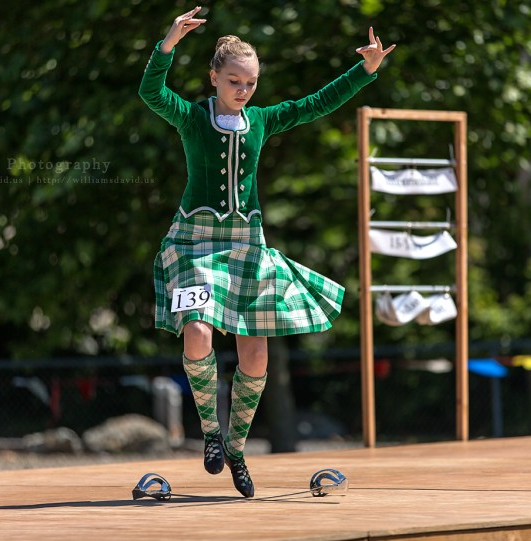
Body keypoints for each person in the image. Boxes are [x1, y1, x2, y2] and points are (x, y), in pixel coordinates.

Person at [139, 7, 395, 498]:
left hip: (247, 246)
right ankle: (211, 433)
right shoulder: (193, 118)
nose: (243, 90)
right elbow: (150, 92)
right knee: (196, 331)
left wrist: (365, 70)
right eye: (234, 80)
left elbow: (316, 103)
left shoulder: (261, 120)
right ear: (213, 77)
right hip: (193, 244)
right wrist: (168, 42)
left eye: (251, 83)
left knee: (255, 353)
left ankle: (235, 448)